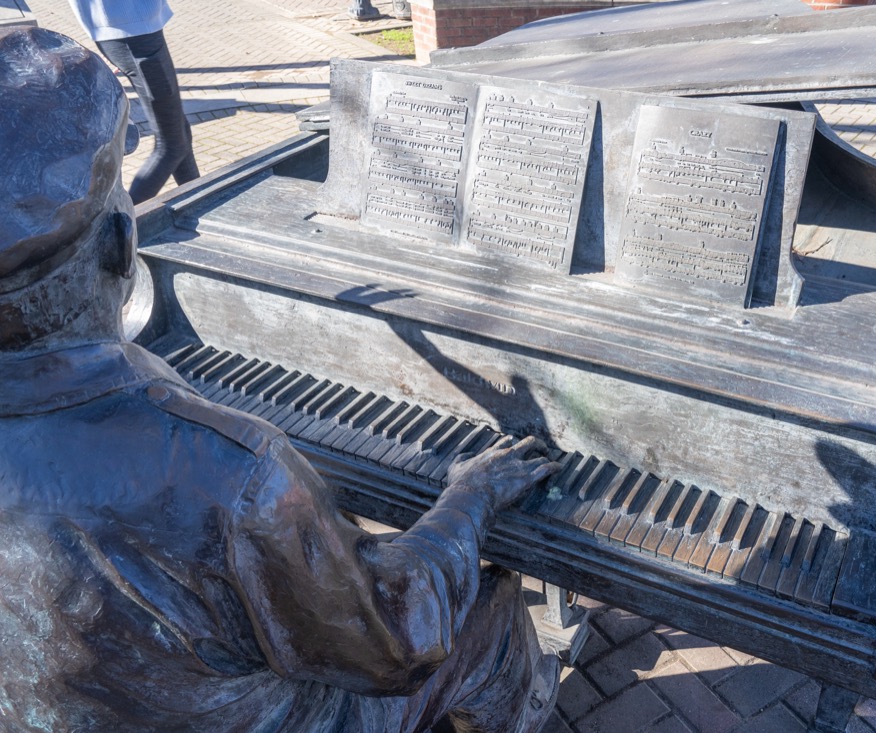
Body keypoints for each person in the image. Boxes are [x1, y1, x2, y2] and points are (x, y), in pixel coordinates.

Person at [0, 26, 560, 733]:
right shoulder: (224, 471)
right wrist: (467, 500)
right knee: (488, 601)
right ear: (119, 247)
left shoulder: (221, 470)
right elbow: (403, 638)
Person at [65, 0, 199, 203]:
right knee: (171, 145)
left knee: (179, 131)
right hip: (133, 32)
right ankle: (128, 222)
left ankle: (200, 201)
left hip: (131, 29)